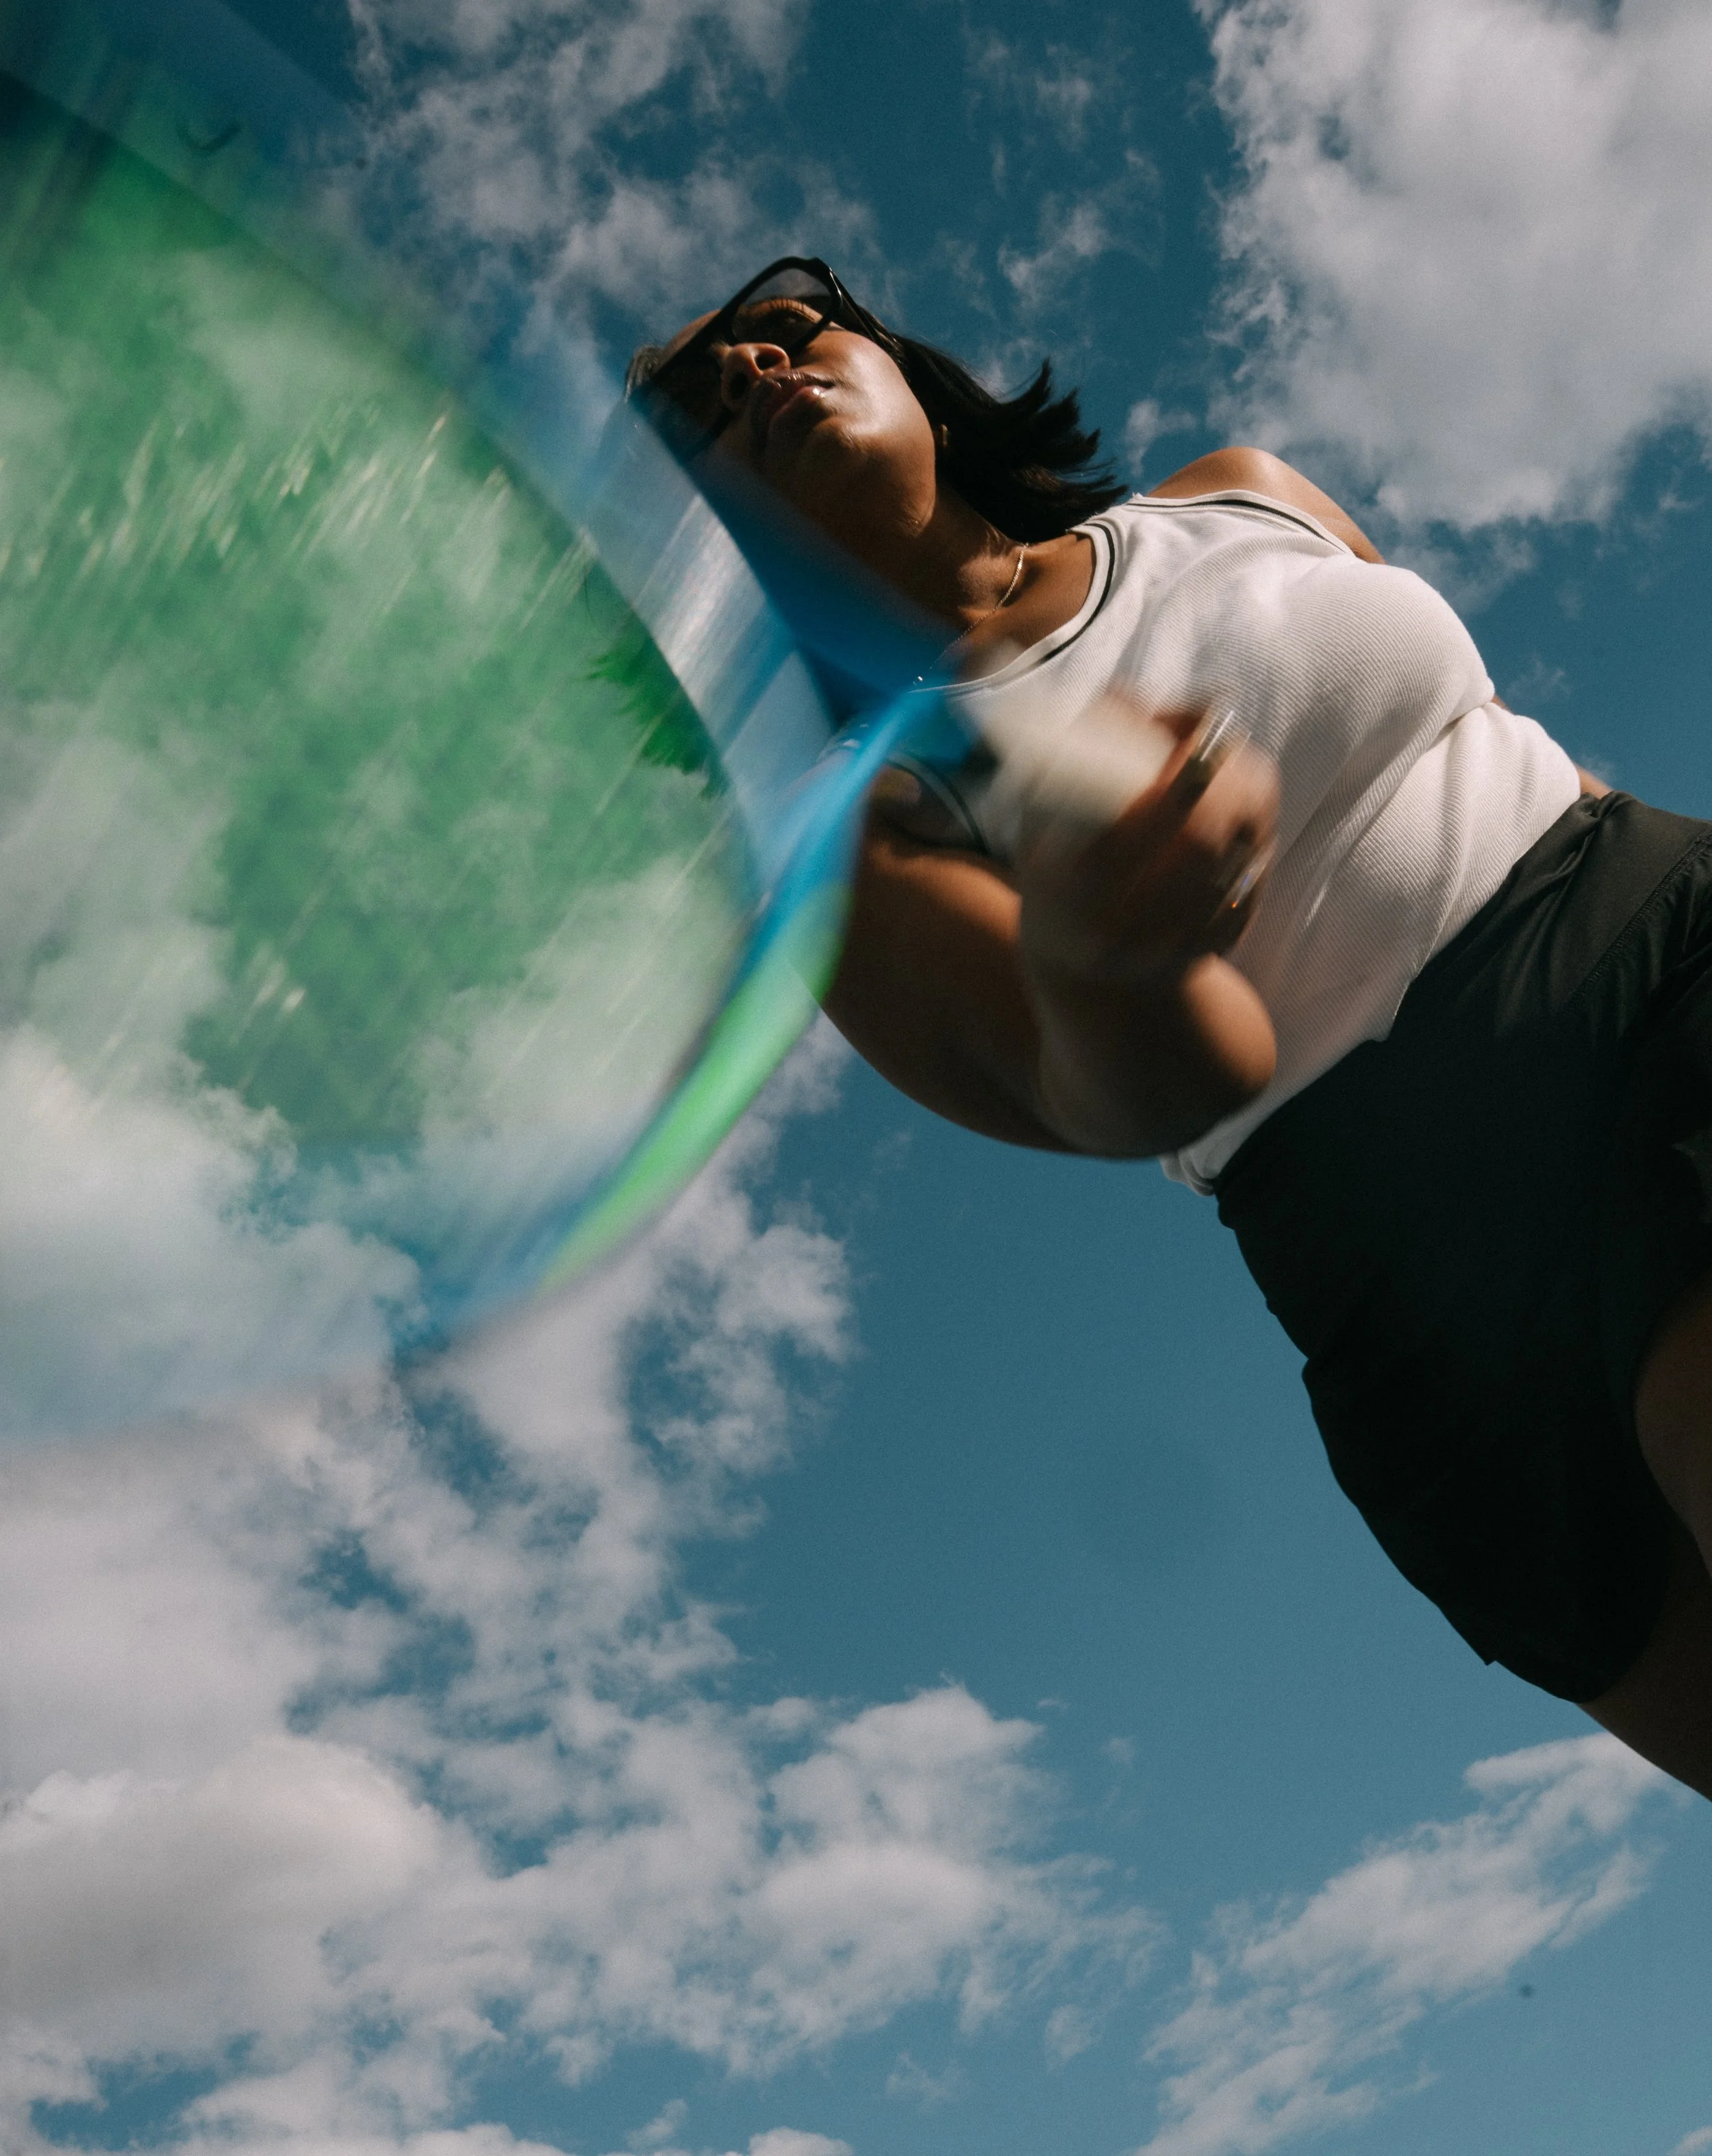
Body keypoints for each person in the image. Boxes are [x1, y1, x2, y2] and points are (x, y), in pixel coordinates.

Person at [625, 257, 1712, 1799]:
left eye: (781, 323)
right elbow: (1152, 1082)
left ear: (886, 350)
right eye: (696, 414)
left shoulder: (1236, 496)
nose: (750, 365)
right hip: (1399, 1283)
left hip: (1650, 972)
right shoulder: (862, 835)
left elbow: (1480, 750)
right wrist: (1104, 968)